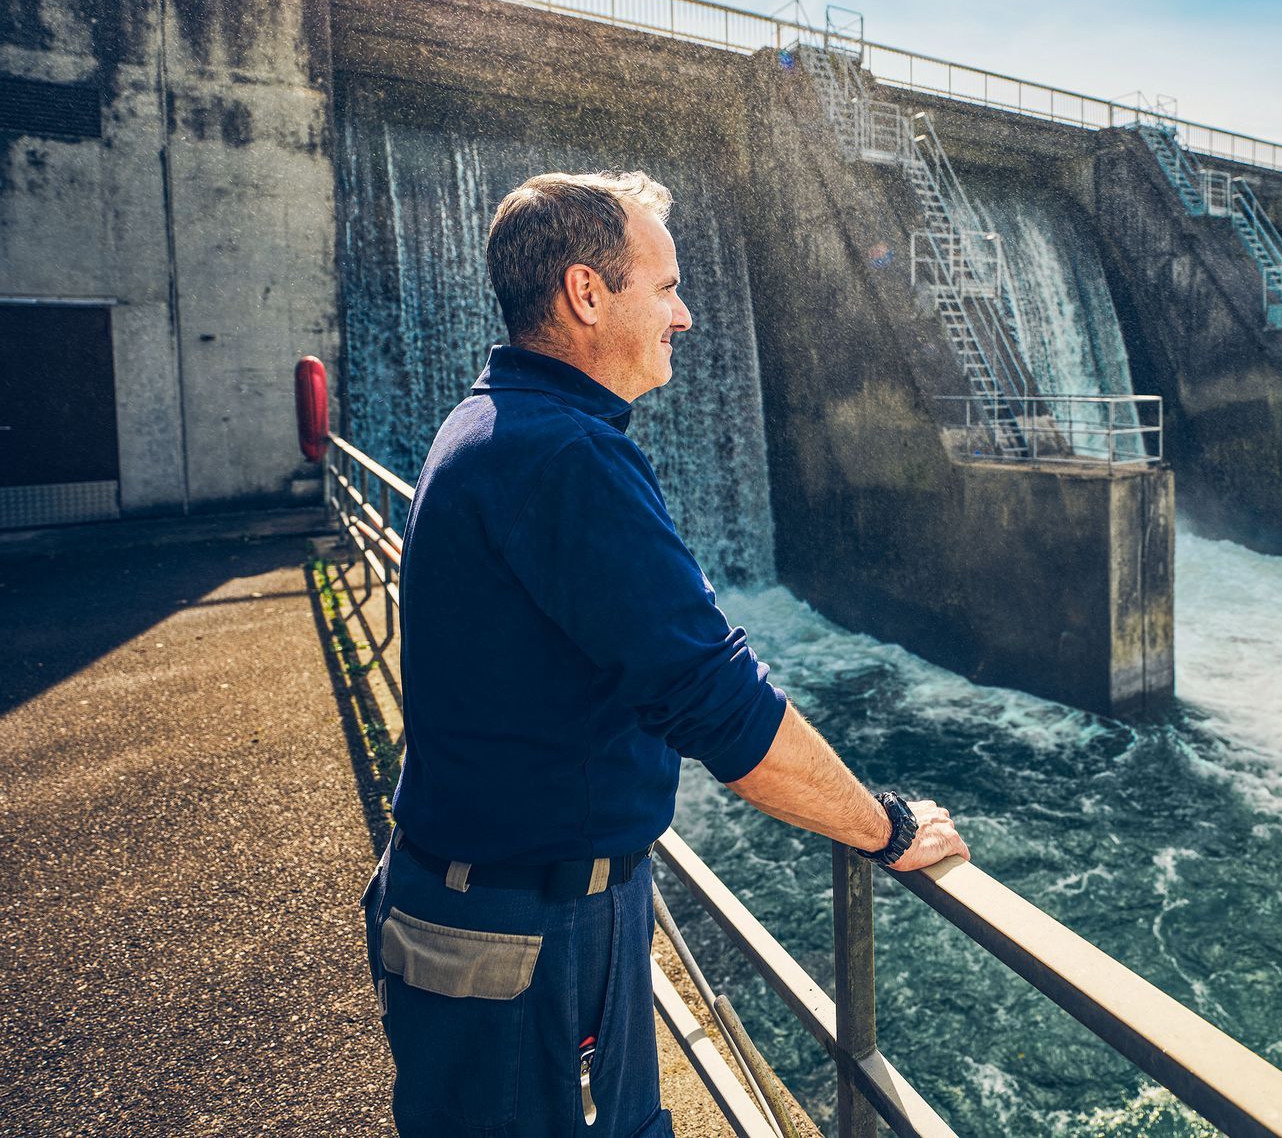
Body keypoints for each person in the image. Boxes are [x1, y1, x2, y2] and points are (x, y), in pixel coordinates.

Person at [360, 169, 968, 1137]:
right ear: (587, 293)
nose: (685, 315)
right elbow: (715, 698)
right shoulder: (564, 454)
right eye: (669, 286)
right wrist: (882, 827)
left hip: (505, 901)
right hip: (526, 930)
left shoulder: (494, 421)